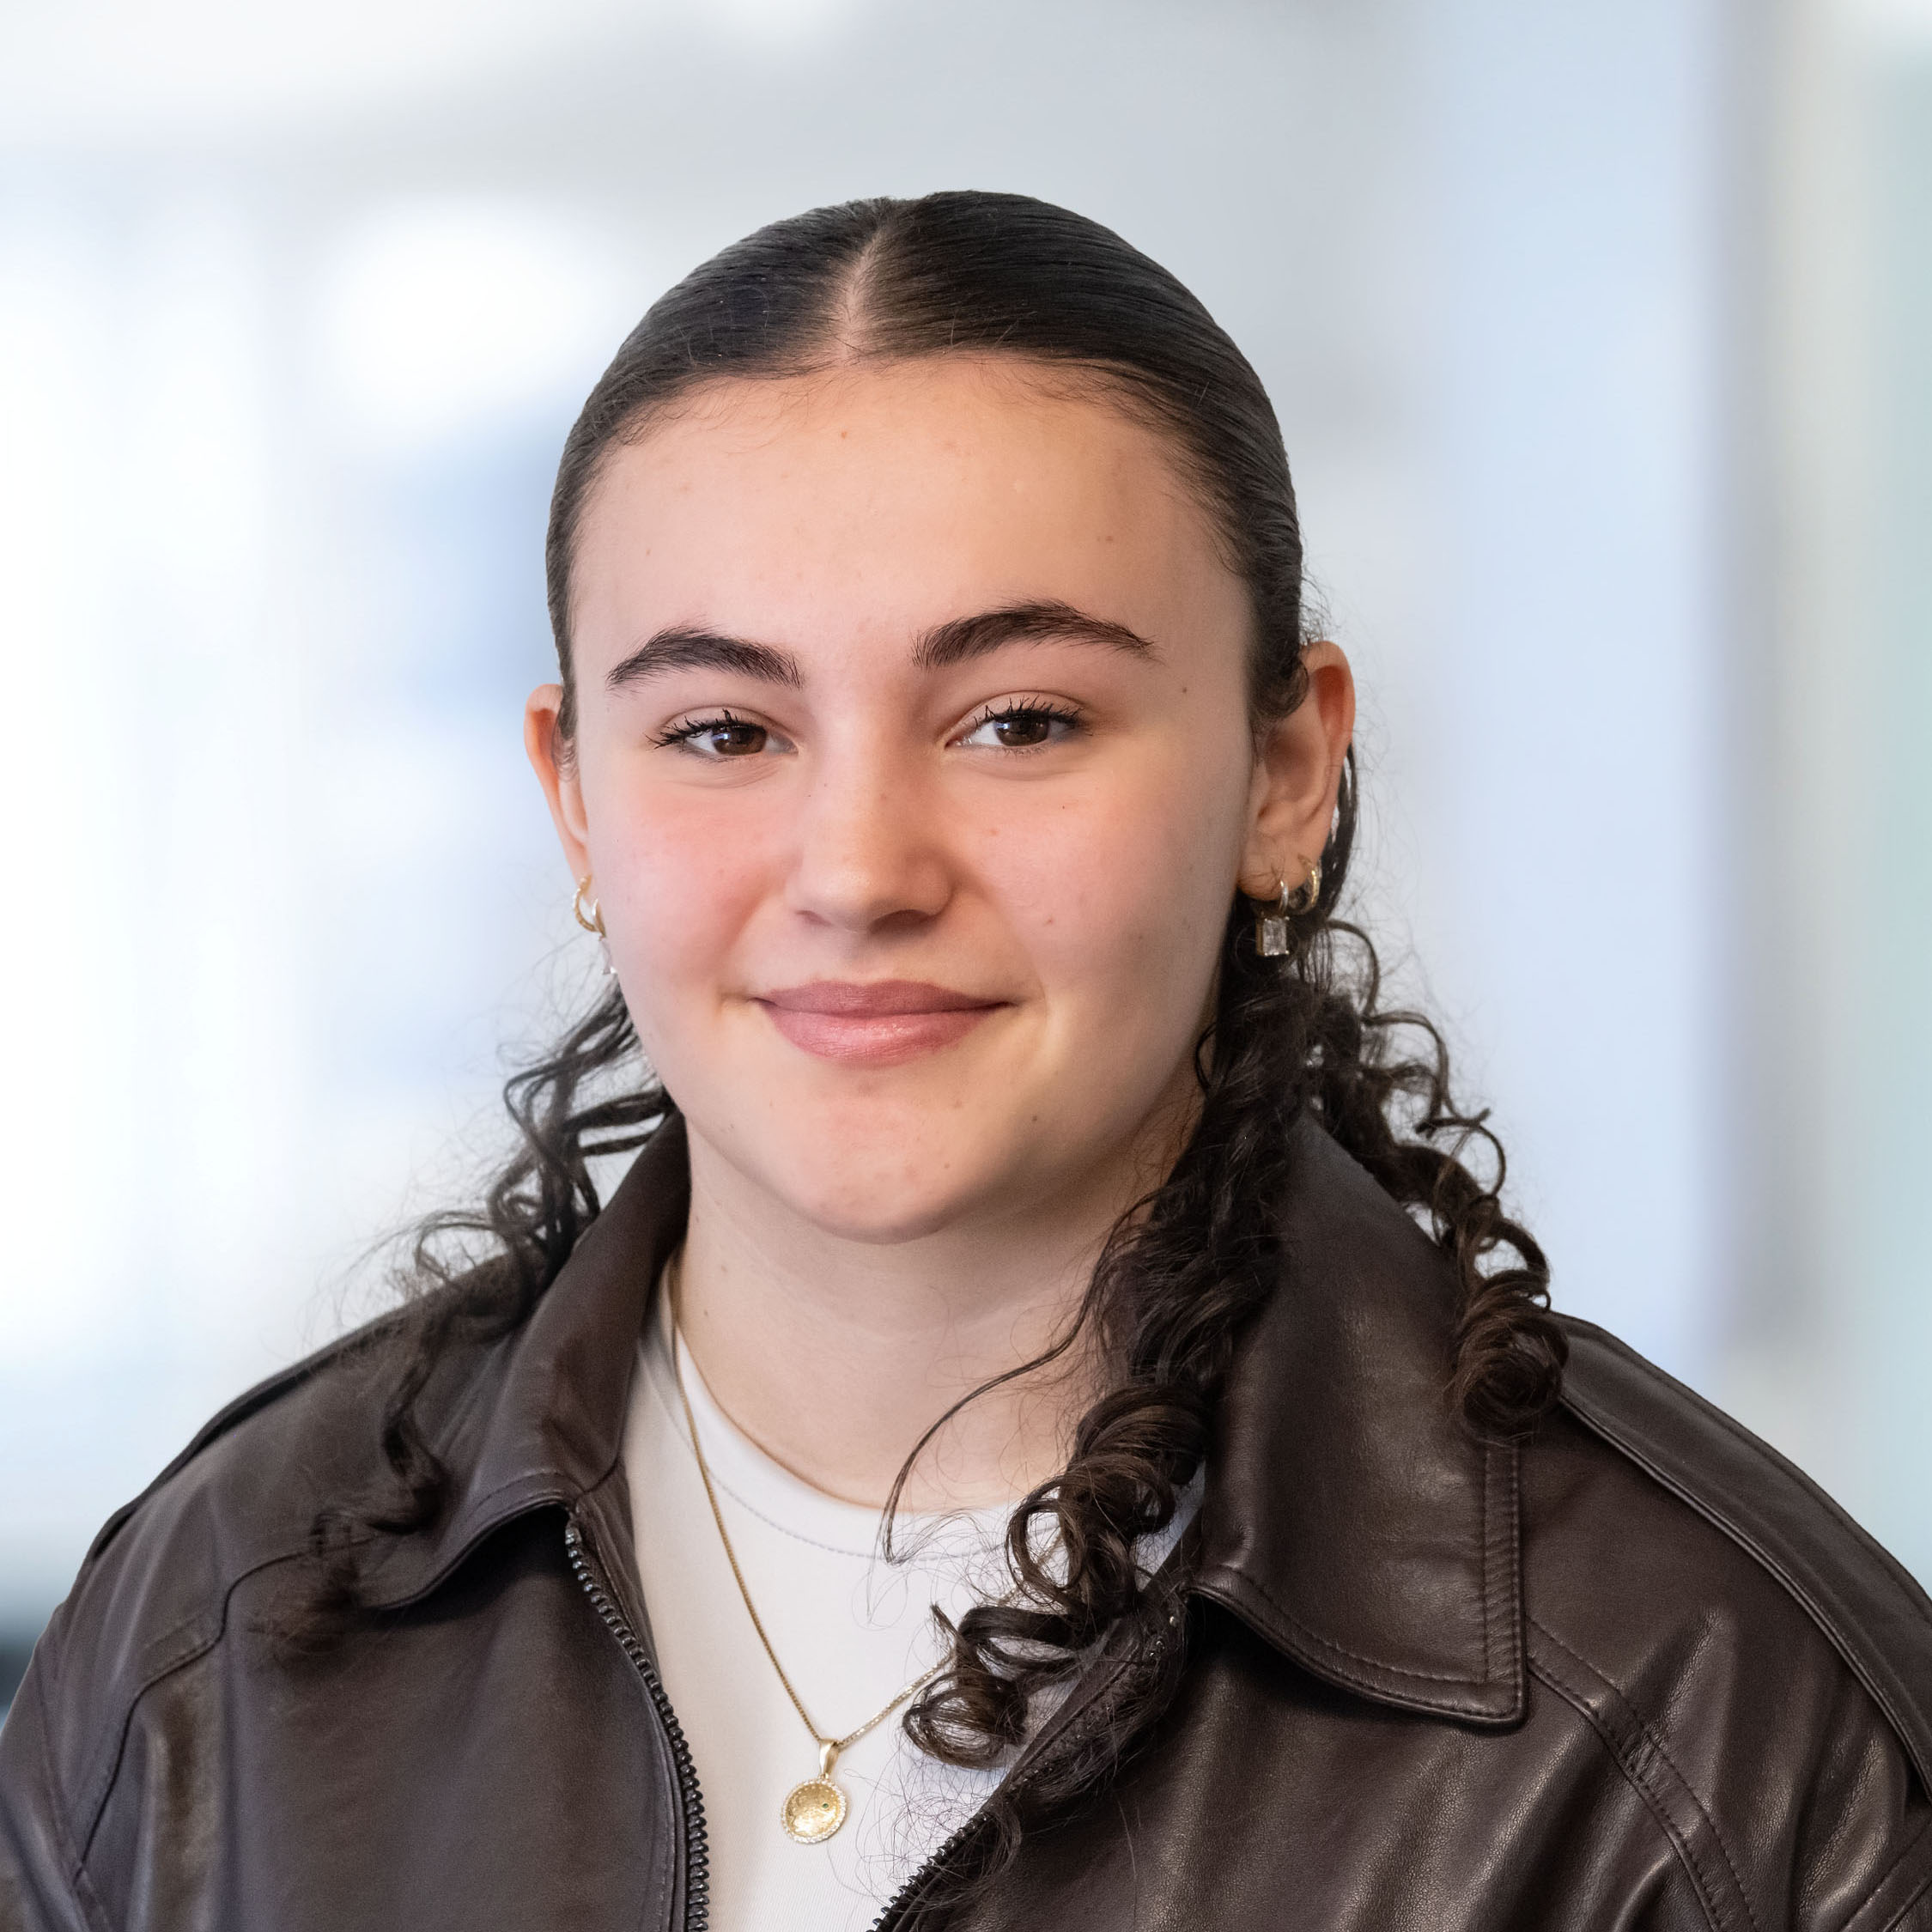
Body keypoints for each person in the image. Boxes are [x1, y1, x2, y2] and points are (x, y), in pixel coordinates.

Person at [3, 191, 1929, 1932]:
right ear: (575, 795)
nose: (858, 872)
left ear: (1286, 770)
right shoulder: (210, 1639)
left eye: (1017, 720)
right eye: (723, 732)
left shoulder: (1723, 1725)